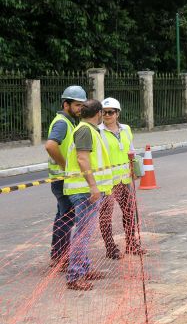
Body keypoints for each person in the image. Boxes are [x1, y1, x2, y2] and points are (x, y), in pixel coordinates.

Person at [63, 99, 114, 290]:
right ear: (99, 113)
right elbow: (82, 159)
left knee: (85, 233)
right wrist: (93, 186)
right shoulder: (85, 130)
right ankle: (75, 275)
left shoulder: (90, 130)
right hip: (84, 190)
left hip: (87, 189)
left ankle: (84, 268)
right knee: (82, 234)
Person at [44, 85, 87, 270]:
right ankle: (61, 258)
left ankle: (57, 255)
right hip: (61, 178)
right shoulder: (62, 123)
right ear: (66, 104)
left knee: (62, 216)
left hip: (62, 178)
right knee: (67, 218)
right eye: (77, 105)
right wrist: (65, 166)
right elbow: (51, 146)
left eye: (82, 105)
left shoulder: (69, 122)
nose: (80, 109)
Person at [98, 97, 145, 258]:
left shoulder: (125, 129)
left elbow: (130, 150)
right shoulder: (98, 131)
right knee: (106, 216)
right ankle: (110, 248)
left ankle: (132, 244)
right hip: (108, 182)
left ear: (117, 113)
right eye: (104, 112)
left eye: (110, 112)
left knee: (130, 212)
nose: (107, 115)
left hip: (124, 180)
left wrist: (135, 168)